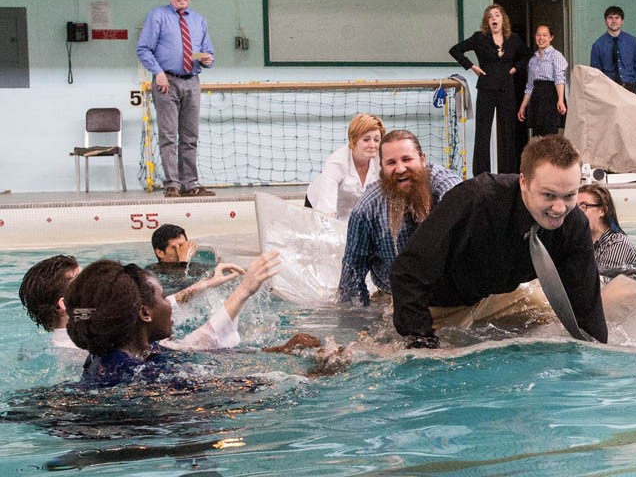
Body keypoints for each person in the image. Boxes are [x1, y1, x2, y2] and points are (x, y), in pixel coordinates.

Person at [390, 134, 607, 348]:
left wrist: (596, 363)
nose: (560, 209)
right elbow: (407, 273)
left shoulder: (574, 224)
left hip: (499, 297)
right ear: (523, 181)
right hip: (440, 304)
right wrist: (422, 342)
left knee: (552, 321)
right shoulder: (475, 201)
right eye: (549, 195)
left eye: (569, 196)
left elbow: (586, 307)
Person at [65, 251, 281, 386]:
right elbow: (234, 393)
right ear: (145, 314)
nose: (170, 303)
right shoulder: (142, 378)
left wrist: (279, 353)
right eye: (162, 297)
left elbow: (197, 349)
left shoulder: (109, 355)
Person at [18, 253, 247, 351]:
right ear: (64, 305)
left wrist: (205, 284)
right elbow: (188, 348)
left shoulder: (87, 321)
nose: (94, 280)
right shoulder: (77, 347)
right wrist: (244, 291)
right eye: (82, 280)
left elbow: (145, 308)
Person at [338, 130, 462, 306]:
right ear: (381, 168)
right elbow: (352, 278)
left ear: (423, 159)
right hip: (397, 301)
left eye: (406, 159)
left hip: (455, 295)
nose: (400, 169)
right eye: (391, 163)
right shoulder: (367, 209)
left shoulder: (446, 187)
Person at [137, 0, 215, 198]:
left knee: (190, 136)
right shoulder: (157, 16)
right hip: (166, 82)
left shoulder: (199, 20)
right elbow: (144, 49)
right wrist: (158, 72)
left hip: (192, 81)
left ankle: (190, 184)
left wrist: (208, 59)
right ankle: (172, 184)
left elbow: (207, 51)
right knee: (169, 135)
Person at [449, 4, 531, 175]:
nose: (494, 18)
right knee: (483, 132)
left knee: (508, 132)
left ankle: (509, 174)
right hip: (486, 88)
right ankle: (481, 174)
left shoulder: (513, 38)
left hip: (507, 89)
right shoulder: (480, 38)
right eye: (490, 16)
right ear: (487, 21)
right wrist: (471, 66)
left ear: (503, 19)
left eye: (497, 15)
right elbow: (455, 50)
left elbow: (527, 54)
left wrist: (515, 68)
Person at [305, 113, 386, 220]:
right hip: (318, 204)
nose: (372, 145)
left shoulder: (381, 161)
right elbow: (326, 211)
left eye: (376, 140)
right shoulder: (336, 163)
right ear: (354, 139)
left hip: (351, 206)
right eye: (366, 139)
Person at [577, 183, 636, 280]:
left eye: (584, 206)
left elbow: (604, 284)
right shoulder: (580, 242)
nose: (576, 213)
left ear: (602, 211)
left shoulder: (618, 243)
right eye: (575, 207)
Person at [517, 24, 568, 137]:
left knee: (550, 136)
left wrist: (560, 100)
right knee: (538, 136)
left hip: (551, 96)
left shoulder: (556, 55)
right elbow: (530, 86)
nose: (541, 38)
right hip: (537, 99)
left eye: (544, 35)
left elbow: (559, 79)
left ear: (551, 37)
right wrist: (523, 106)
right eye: (538, 35)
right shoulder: (533, 60)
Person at [590, 6, 636, 95]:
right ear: (605, 21)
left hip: (630, 88)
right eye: (610, 18)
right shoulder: (598, 45)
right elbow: (596, 71)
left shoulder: (633, 42)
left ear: (622, 21)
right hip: (608, 90)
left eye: (617, 18)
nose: (614, 21)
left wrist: (631, 83)